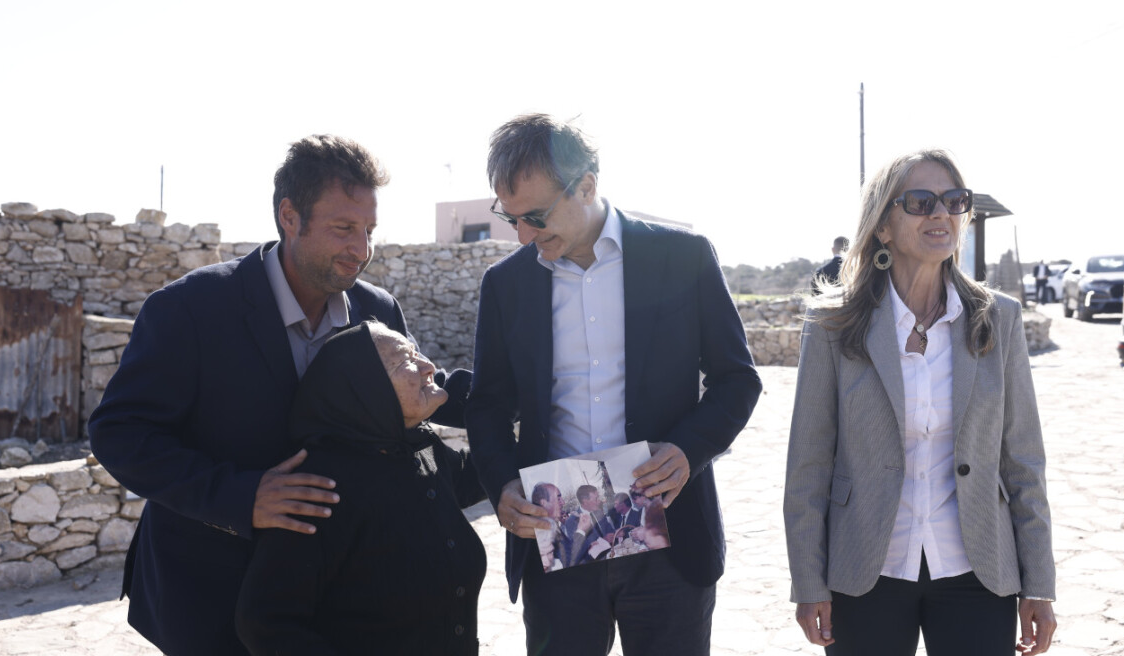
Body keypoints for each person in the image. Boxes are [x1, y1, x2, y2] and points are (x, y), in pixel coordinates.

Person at [88, 135, 468, 655]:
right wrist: (241, 497)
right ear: (290, 216)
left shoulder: (378, 310)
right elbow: (120, 433)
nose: (361, 250)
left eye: (369, 230)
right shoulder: (190, 308)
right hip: (209, 598)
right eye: (343, 228)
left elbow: (409, 398)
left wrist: (508, 401)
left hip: (337, 606)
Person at [466, 113, 763, 656]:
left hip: (671, 537)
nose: (524, 235)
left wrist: (688, 450)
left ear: (586, 185)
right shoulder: (506, 284)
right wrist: (502, 486)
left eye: (535, 216)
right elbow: (486, 406)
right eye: (511, 218)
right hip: (558, 540)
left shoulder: (683, 257)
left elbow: (737, 380)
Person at [783, 149, 1057, 655]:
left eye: (954, 201)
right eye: (921, 202)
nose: (941, 213)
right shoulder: (832, 324)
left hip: (978, 571)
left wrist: (1039, 582)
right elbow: (809, 463)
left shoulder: (999, 318)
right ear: (883, 226)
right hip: (865, 570)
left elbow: (1023, 459)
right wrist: (808, 581)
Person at [235, 321, 486, 655]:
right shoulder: (320, 488)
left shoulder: (419, 450)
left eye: (417, 353)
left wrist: (538, 443)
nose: (429, 367)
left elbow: (473, 475)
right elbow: (266, 620)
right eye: (406, 360)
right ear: (367, 390)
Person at [563, 484, 617, 565]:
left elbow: (609, 529)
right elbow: (579, 550)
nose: (599, 501)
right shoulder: (572, 521)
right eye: (596, 498)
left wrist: (614, 534)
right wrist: (603, 541)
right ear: (585, 501)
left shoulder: (599, 512)